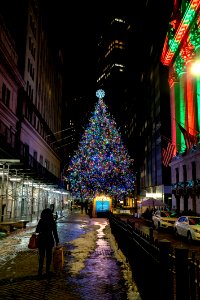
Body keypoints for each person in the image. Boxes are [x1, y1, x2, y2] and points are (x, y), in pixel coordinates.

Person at [36, 208, 59, 278]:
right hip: (49, 240)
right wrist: (57, 240)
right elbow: (55, 232)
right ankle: (47, 271)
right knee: (49, 257)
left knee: (41, 257)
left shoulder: (41, 221)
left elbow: (37, 230)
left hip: (41, 240)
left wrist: (41, 232)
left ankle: (40, 272)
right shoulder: (52, 221)